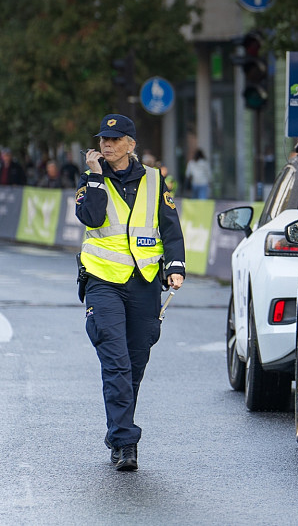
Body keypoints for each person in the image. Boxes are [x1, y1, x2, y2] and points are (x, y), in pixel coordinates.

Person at [76, 114, 186, 472]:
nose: (106, 145)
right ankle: (126, 442)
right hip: (102, 281)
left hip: (144, 282)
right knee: (116, 362)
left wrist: (175, 266)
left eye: (114, 140)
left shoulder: (154, 179)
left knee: (134, 365)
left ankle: (117, 432)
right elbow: (92, 218)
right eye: (102, 140)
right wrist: (95, 175)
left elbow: (170, 227)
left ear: (130, 145)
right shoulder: (91, 178)